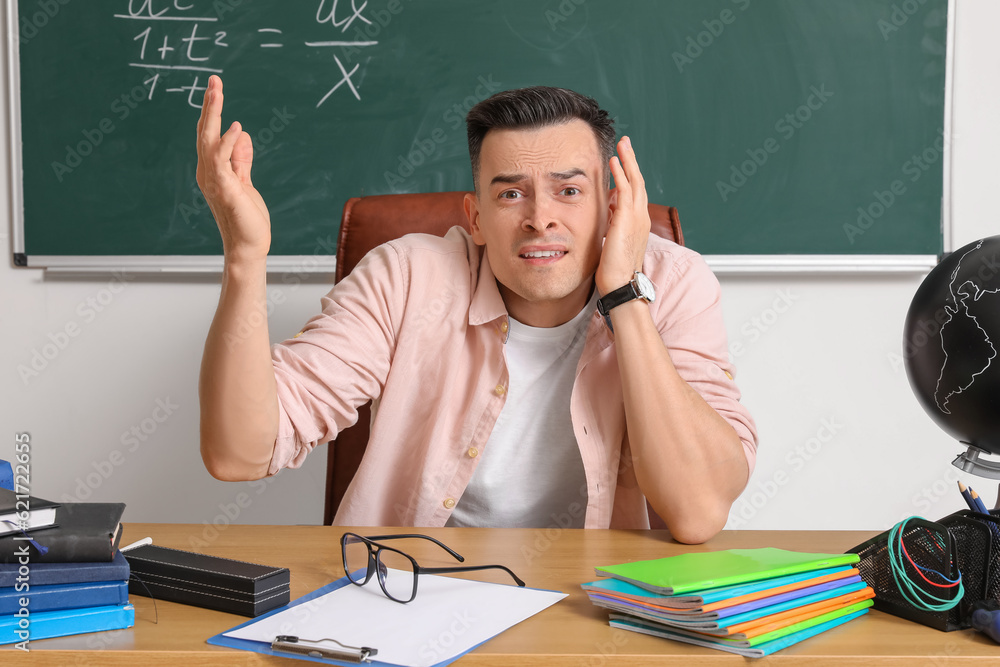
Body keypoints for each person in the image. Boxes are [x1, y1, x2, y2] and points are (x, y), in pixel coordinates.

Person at [196, 75, 757, 543]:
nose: (540, 218)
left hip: (592, 607)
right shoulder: (406, 277)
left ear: (614, 208)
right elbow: (238, 455)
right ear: (476, 216)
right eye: (511, 194)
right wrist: (245, 257)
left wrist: (624, 294)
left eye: (569, 191)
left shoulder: (674, 281)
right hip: (408, 595)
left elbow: (697, 510)